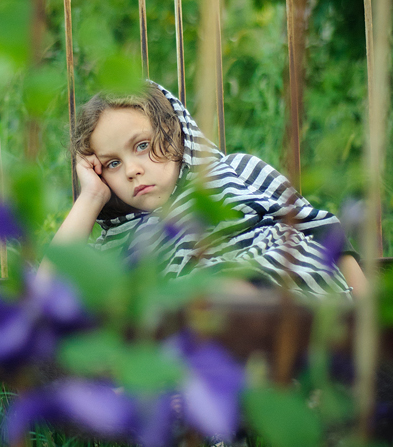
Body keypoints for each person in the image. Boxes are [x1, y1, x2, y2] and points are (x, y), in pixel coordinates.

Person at [53, 81, 367, 297]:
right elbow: (47, 291)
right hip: (198, 324)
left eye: (142, 145)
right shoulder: (120, 242)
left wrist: (370, 322)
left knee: (222, 291)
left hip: (287, 289)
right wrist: (91, 196)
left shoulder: (239, 169)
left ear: (175, 131)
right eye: (112, 163)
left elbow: (322, 231)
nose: (132, 170)